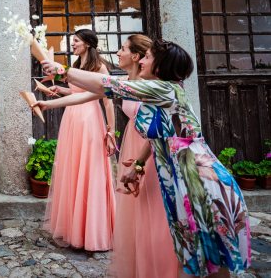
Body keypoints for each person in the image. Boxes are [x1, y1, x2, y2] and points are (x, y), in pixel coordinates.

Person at [41, 40, 252, 278]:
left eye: (147, 57)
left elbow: (106, 84)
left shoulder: (164, 89)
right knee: (199, 256)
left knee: (207, 260)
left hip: (196, 179)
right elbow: (158, 136)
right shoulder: (160, 90)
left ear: (160, 66)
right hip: (183, 176)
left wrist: (62, 71)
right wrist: (139, 165)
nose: (141, 60)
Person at [34, 34, 177, 277]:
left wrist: (62, 70)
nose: (117, 53)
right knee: (135, 206)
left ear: (136, 56)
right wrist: (50, 104)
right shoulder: (133, 80)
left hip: (149, 149)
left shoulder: (154, 86)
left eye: (122, 49)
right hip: (136, 144)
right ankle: (139, 262)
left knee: (152, 205)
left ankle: (159, 264)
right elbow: (91, 94)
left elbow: (105, 87)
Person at [40, 29, 116, 251]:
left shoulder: (99, 67)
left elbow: (108, 100)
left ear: (88, 44)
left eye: (76, 41)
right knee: (73, 169)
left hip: (90, 119)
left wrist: (110, 131)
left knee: (89, 170)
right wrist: (60, 89)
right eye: (72, 40)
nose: (72, 44)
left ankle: (93, 232)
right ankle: (75, 228)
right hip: (72, 118)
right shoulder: (76, 65)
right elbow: (77, 93)